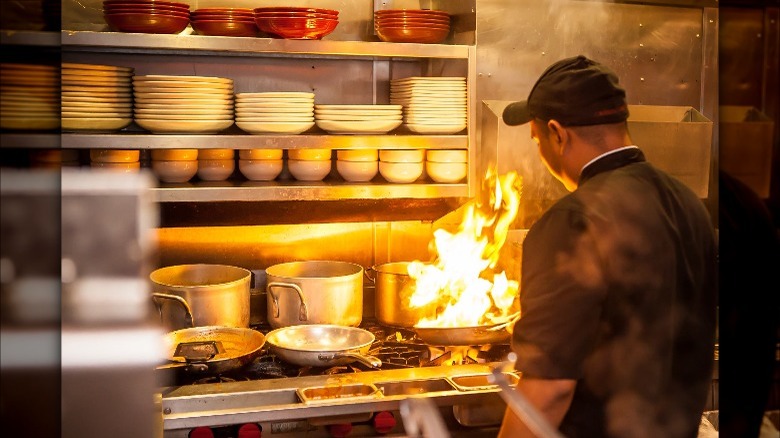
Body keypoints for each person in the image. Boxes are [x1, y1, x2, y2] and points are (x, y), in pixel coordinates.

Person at [497, 55, 718, 438]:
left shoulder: (572, 220)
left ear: (558, 133)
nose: (540, 153)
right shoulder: (687, 203)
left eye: (537, 140)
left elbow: (549, 390)